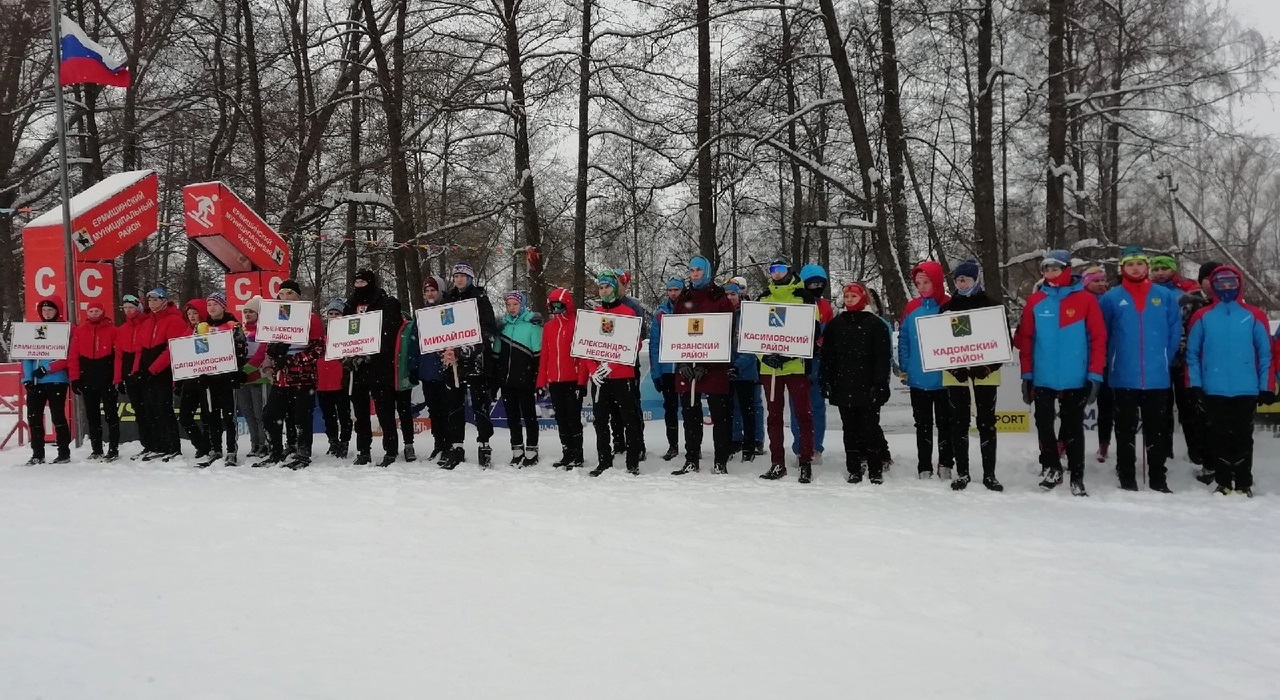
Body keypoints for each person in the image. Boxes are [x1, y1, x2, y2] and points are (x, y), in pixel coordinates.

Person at [1013, 250, 1106, 496]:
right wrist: (1027, 375)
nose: (1050, 274)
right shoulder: (1036, 300)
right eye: (1046, 269)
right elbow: (1026, 340)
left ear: (1066, 269)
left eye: (1055, 269)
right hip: (1043, 377)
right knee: (1044, 424)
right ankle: (1052, 467)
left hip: (1075, 377)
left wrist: (1095, 374)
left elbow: (1098, 339)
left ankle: (1077, 475)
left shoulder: (1086, 300)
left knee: (1073, 426)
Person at [1186, 266, 1275, 497]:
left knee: (1243, 437)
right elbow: (1192, 354)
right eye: (1221, 283)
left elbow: (1266, 354)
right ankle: (1224, 481)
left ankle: (1244, 482)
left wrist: (1266, 386)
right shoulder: (1202, 316)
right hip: (1213, 388)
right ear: (1213, 286)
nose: (1226, 288)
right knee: (1218, 437)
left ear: (1239, 284)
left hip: (1245, 388)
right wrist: (1194, 384)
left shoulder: (1254, 315)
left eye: (1231, 283)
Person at [1098, 247, 1182, 492]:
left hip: (1157, 375)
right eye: (1130, 264)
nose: (1135, 268)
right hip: (1124, 374)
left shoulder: (1164, 296)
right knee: (1125, 430)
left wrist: (1166, 356)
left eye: (1139, 263)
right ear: (1122, 268)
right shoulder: (1111, 298)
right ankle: (1126, 476)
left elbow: (1174, 330)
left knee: (1156, 430)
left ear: (1147, 266)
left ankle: (1158, 477)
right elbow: (1103, 332)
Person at [939, 259, 1004, 491]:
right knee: (959, 423)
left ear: (976, 279)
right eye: (957, 279)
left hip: (986, 375)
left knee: (986, 423)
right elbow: (938, 344)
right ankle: (962, 473)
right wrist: (953, 367)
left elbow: (1004, 342)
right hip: (956, 375)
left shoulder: (991, 306)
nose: (961, 282)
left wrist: (988, 367)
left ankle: (989, 474)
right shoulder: (947, 308)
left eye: (965, 278)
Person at [670, 255, 735, 475]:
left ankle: (720, 460)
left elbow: (725, 334)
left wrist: (707, 364)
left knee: (719, 415)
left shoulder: (719, 297)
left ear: (706, 271)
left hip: (714, 366)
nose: (695, 274)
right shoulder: (683, 298)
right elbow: (676, 334)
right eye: (691, 270)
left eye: (698, 270)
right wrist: (682, 362)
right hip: (688, 365)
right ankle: (691, 459)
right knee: (690, 415)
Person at [820, 282, 891, 484]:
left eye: (853, 296)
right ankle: (853, 468)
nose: (849, 300)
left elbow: (881, 358)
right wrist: (826, 380)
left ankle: (875, 468)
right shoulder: (836, 324)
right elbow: (828, 357)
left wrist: (880, 384)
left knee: (870, 428)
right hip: (843, 385)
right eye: (846, 296)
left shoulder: (875, 324)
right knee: (849, 429)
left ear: (863, 298)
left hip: (867, 386)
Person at [343, 269, 414, 467]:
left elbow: (390, 335)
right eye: (356, 282)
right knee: (360, 413)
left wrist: (371, 354)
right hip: (357, 369)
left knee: (385, 412)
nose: (359, 286)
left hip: (380, 367)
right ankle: (363, 450)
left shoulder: (386, 303)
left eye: (362, 282)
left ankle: (390, 450)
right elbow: (344, 334)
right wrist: (348, 356)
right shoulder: (350, 304)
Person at [756, 256, 815, 482]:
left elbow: (812, 331)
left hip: (796, 365)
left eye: (780, 268)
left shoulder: (804, 297)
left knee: (803, 414)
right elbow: (754, 335)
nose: (776, 273)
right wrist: (764, 355)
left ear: (790, 270)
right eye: (773, 269)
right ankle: (777, 462)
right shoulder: (764, 298)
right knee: (774, 416)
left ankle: (805, 461)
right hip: (770, 368)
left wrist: (790, 353)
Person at [258, 279, 324, 470]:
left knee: (301, 417)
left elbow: (318, 348)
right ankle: (276, 451)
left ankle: (303, 453)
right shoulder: (274, 317)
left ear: (298, 297)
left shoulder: (311, 318)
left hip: (303, 376)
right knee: (270, 415)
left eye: (290, 294)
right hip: (281, 378)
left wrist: (292, 360)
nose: (285, 297)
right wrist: (272, 356)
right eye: (282, 294)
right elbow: (269, 346)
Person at [898, 261, 954, 479]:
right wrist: (906, 365)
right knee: (922, 426)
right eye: (918, 283)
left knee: (945, 424)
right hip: (918, 379)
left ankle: (946, 463)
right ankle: (924, 466)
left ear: (937, 282)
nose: (921, 287)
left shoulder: (949, 305)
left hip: (944, 379)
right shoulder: (912, 308)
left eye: (926, 282)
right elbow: (904, 340)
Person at [584, 272, 643, 476]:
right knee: (600, 421)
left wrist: (613, 365)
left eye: (607, 287)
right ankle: (604, 461)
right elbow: (585, 347)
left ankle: (632, 462)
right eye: (601, 287)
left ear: (615, 289)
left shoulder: (628, 312)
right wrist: (593, 370)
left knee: (630, 420)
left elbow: (635, 344)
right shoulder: (594, 315)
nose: (604, 291)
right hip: (601, 379)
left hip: (623, 376)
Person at [442, 262, 498, 468]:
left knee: (480, 405)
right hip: (453, 362)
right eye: (455, 275)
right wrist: (445, 350)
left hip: (477, 361)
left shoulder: (480, 299)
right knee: (454, 406)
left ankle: (484, 444)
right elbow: (439, 330)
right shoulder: (448, 299)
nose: (458, 279)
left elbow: (488, 329)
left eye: (462, 276)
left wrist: (468, 348)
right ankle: (457, 446)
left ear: (470, 278)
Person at [132, 287, 187, 460]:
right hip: (147, 370)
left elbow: (171, 349)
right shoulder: (148, 322)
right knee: (150, 409)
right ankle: (156, 444)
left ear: (164, 300)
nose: (153, 303)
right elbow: (139, 349)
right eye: (150, 300)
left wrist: (152, 370)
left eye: (156, 299)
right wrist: (136, 370)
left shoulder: (174, 320)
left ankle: (172, 445)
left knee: (164, 408)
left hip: (163, 371)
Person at [536, 286, 586, 470]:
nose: (556, 309)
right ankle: (567, 453)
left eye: (559, 305)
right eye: (553, 306)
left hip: (572, 380)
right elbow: (545, 356)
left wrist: (582, 381)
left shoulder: (577, 323)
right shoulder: (549, 327)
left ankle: (578, 454)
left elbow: (582, 356)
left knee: (573, 417)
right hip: (555, 381)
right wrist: (541, 381)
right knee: (561, 419)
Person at [1180, 262, 1222, 482]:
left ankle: (1227, 463)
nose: (1212, 282)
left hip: (1223, 369)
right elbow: (1178, 329)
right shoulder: (1189, 301)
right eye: (1207, 278)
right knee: (1198, 418)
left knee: (1223, 421)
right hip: (1193, 367)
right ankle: (1206, 463)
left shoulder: (1231, 301)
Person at [197, 292, 249, 466]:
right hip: (209, 378)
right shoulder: (201, 326)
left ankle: (231, 450)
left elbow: (241, 351)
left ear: (223, 306)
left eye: (215, 304)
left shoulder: (232, 325)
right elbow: (194, 352)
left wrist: (236, 372)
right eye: (209, 305)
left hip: (226, 377)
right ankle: (216, 449)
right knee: (211, 415)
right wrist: (200, 373)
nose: (212, 308)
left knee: (229, 416)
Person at [494, 290, 543, 467]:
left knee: (529, 416)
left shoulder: (532, 325)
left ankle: (532, 449)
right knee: (512, 417)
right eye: (509, 304)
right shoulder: (503, 326)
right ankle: (517, 449)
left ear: (522, 305)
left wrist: (537, 380)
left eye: (515, 304)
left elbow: (538, 355)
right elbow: (496, 354)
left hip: (525, 380)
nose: (512, 308)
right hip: (507, 381)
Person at [68, 300, 122, 460]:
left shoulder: (113, 330)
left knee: (111, 414)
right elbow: (73, 357)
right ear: (87, 313)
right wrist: (75, 378)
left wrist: (117, 378)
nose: (94, 314)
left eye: (97, 311)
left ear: (103, 312)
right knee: (92, 416)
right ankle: (96, 449)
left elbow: (119, 356)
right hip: (88, 378)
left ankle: (113, 448)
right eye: (91, 312)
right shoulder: (80, 331)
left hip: (107, 378)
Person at [791, 264, 834, 463]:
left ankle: (816, 446)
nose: (816, 287)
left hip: (818, 362)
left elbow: (830, 334)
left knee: (816, 407)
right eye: (812, 283)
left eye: (820, 284)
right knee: (797, 407)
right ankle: (799, 446)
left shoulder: (826, 307)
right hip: (797, 362)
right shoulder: (796, 301)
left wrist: (821, 345)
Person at [22, 296, 72, 465]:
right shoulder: (34, 329)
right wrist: (27, 378)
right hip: (36, 381)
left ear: (57, 310)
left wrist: (47, 368)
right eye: (44, 310)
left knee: (58, 416)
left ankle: (64, 452)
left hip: (56, 379)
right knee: (34, 418)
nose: (47, 313)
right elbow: (26, 356)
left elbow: (68, 357)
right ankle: (37, 453)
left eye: (50, 309)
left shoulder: (65, 329)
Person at [415, 276, 455, 465]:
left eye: (433, 290)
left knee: (445, 409)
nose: (430, 294)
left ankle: (448, 445)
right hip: (426, 369)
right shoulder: (421, 314)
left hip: (444, 369)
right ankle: (438, 443)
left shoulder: (448, 309)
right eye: (427, 291)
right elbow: (416, 341)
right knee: (433, 410)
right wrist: (414, 366)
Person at [1079, 265, 1114, 463]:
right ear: (1086, 283)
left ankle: (1104, 445)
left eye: (1103, 280)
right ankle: (1065, 443)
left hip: (1107, 359)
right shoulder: (1079, 300)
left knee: (1107, 404)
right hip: (1083, 360)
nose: (1101, 284)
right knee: (1076, 406)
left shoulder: (1110, 300)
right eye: (1096, 281)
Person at [723, 280, 759, 463]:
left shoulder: (748, 315)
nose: (730, 298)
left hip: (745, 372)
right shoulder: (720, 316)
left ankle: (749, 446)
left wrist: (737, 366)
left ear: (740, 295)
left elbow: (752, 345)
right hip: (725, 371)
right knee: (727, 412)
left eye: (733, 294)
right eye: (726, 294)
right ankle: (730, 443)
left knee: (748, 411)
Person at [649, 278, 684, 461]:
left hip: (686, 367)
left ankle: (694, 446)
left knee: (689, 408)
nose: (673, 293)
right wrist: (656, 373)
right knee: (670, 409)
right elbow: (654, 345)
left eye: (676, 290)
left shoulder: (690, 309)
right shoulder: (660, 313)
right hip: (667, 370)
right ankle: (673, 446)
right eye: (670, 290)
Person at [116, 294, 153, 459]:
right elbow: (118, 355)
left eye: (131, 307)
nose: (128, 311)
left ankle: (156, 443)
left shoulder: (146, 323)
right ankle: (147, 444)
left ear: (137, 307)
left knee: (149, 409)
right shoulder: (123, 328)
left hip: (143, 372)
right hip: (129, 373)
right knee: (139, 410)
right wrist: (119, 378)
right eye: (125, 308)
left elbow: (141, 350)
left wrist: (138, 371)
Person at [176, 298, 213, 460]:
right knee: (184, 416)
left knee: (208, 416)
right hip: (190, 380)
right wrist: (178, 382)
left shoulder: (210, 329)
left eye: (195, 313)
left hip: (207, 380)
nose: (191, 316)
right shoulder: (186, 332)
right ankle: (201, 445)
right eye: (189, 313)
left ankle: (209, 446)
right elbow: (180, 357)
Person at [317, 299, 353, 459]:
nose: (333, 316)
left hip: (340, 380)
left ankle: (344, 442)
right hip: (322, 381)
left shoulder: (348, 335)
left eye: (336, 314)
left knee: (344, 414)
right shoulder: (320, 334)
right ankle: (333, 442)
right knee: (328, 415)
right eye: (330, 314)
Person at [237, 296, 272, 459]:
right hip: (244, 378)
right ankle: (255, 443)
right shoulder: (242, 330)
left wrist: (247, 369)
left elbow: (261, 352)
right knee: (248, 414)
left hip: (259, 377)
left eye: (251, 311)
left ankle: (265, 443)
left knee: (261, 414)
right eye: (245, 311)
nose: (247, 314)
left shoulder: (265, 330)